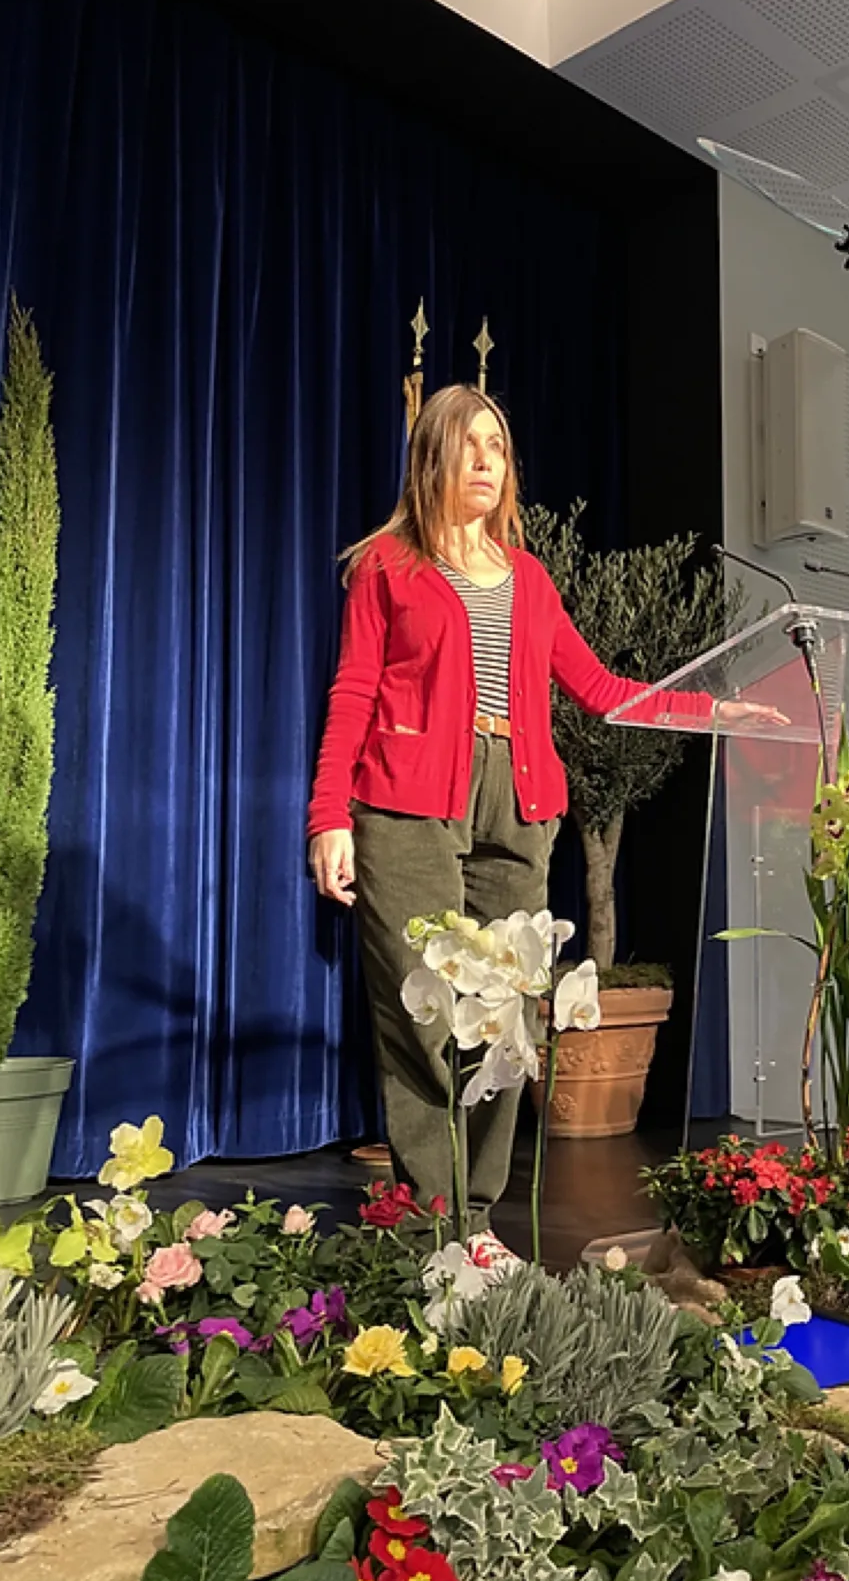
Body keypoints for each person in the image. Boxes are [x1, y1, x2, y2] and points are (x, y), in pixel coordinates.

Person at [307, 382, 775, 1238]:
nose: (486, 462)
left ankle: (476, 1220)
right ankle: (435, 1221)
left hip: (518, 801)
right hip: (408, 795)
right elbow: (353, 690)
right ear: (431, 459)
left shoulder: (527, 578)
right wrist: (328, 815)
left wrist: (711, 710)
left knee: (507, 1013)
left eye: (497, 447)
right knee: (419, 1006)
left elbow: (598, 688)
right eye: (468, 445)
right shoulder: (387, 565)